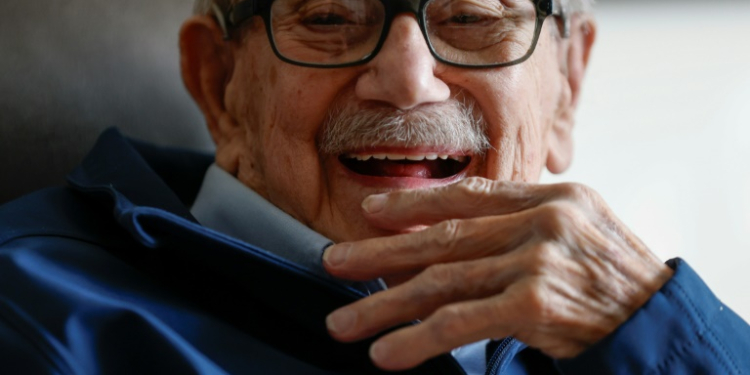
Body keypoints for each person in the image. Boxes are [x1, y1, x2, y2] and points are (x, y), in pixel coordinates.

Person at [0, 0, 748, 374]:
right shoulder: (29, 310)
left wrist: (658, 336)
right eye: (328, 17)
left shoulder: (636, 330)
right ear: (219, 82)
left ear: (566, 91)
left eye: (471, 17)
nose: (408, 82)